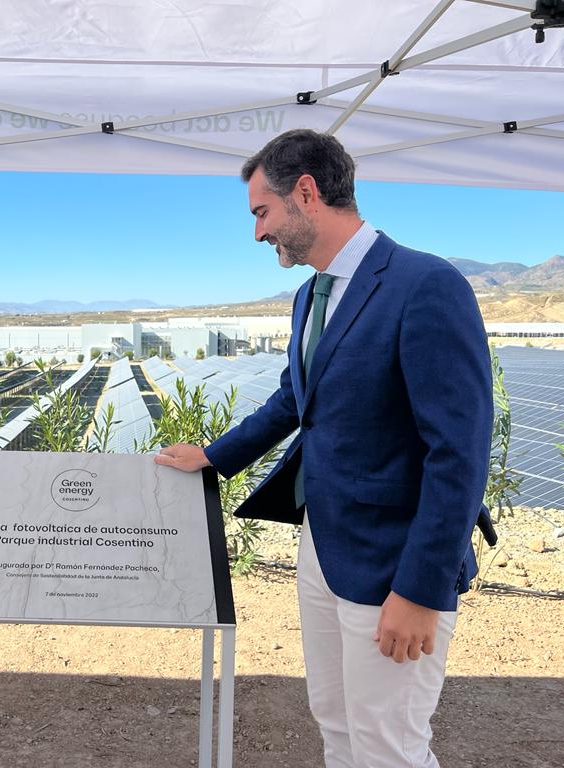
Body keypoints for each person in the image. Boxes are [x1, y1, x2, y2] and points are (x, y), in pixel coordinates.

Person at [155, 129, 494, 767]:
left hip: (394, 564)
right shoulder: (311, 295)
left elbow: (460, 450)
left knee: (388, 746)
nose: (258, 233)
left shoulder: (426, 284)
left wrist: (420, 589)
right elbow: (295, 399)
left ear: (306, 193)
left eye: (262, 212)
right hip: (323, 545)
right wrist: (215, 455)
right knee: (336, 727)